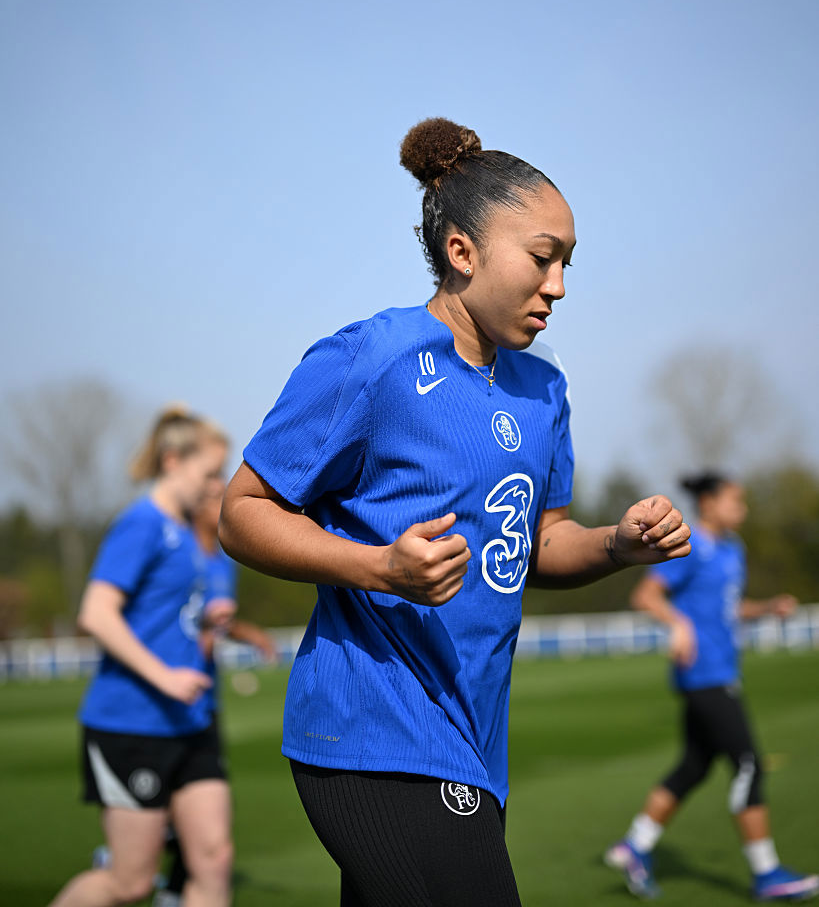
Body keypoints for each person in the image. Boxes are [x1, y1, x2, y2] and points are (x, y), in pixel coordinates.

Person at [218, 116, 692, 907]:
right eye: (542, 258)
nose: (559, 285)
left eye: (567, 263)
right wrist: (378, 568)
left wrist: (616, 544)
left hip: (474, 738)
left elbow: (537, 545)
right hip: (375, 728)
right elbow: (242, 512)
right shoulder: (374, 358)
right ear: (461, 252)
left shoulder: (544, 391)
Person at [49, 407, 234, 907]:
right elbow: (97, 613)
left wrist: (207, 619)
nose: (218, 483)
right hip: (132, 723)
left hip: (191, 721)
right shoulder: (143, 524)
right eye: (211, 472)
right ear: (172, 461)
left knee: (214, 859)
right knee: (129, 882)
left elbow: (160, 617)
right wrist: (166, 676)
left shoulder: (188, 535)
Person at [604, 472, 818, 902]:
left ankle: (635, 846)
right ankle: (766, 873)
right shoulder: (692, 548)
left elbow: (728, 606)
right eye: (735, 500)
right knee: (749, 765)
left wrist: (766, 608)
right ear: (709, 504)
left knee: (694, 766)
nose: (743, 508)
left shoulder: (732, 550)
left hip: (723, 672)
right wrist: (679, 624)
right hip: (703, 676)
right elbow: (646, 596)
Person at [156, 475, 276, 907]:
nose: (217, 500)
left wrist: (249, 635)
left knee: (210, 835)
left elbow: (214, 624)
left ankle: (171, 891)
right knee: (164, 832)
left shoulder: (224, 563)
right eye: (209, 495)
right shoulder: (176, 554)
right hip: (162, 703)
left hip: (203, 703)